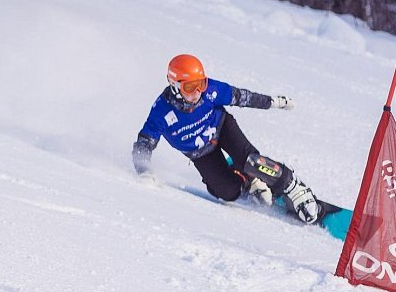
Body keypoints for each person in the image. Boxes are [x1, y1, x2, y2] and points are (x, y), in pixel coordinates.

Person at [131, 53, 330, 225]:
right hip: (200, 153)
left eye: (201, 84)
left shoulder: (211, 92)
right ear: (174, 86)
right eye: (190, 87)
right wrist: (144, 170)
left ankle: (292, 186)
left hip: (222, 127)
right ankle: (248, 184)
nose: (198, 92)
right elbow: (144, 143)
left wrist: (272, 102)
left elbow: (242, 97)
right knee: (225, 192)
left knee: (252, 162)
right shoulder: (161, 112)